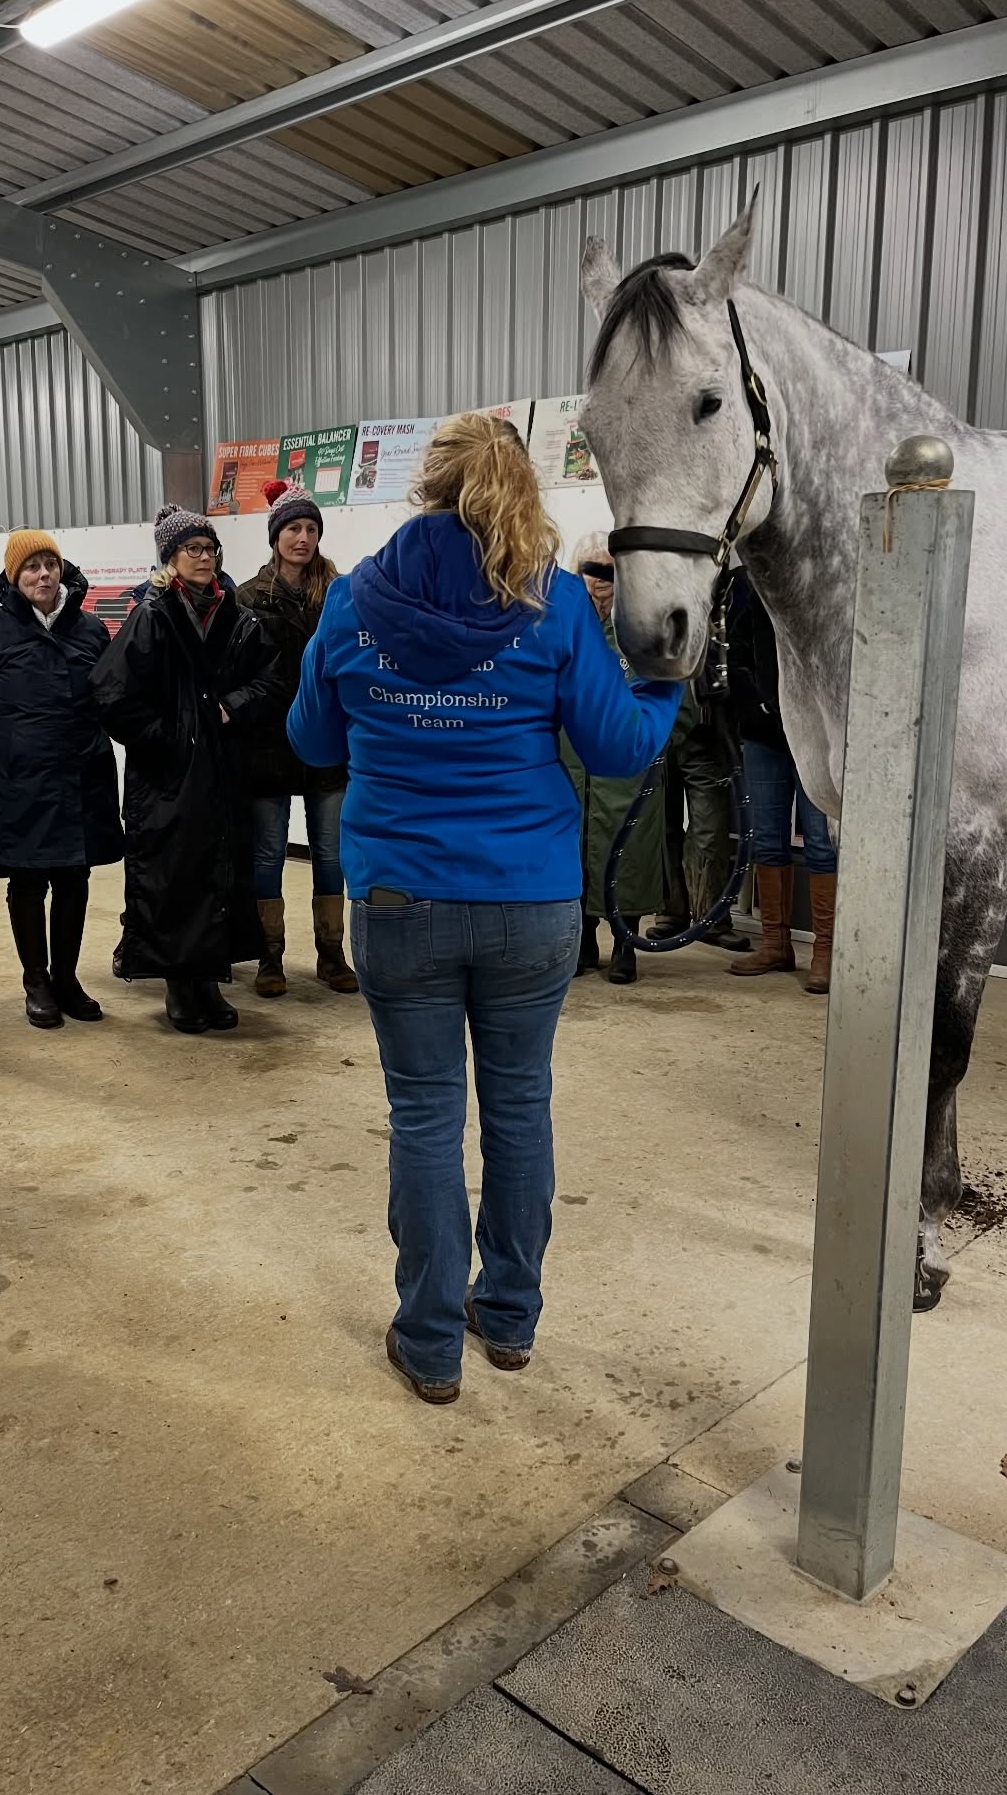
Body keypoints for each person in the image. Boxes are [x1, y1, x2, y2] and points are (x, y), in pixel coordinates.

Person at [288, 417, 679, 1404]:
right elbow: (622, 745)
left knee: (423, 1117)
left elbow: (310, 736)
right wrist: (665, 684)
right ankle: (507, 1320)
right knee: (518, 1108)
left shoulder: (352, 599)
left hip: (397, 898)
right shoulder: (548, 607)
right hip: (528, 900)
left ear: (427, 488)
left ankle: (427, 1343)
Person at [90, 504, 283, 1035]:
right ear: (170, 558)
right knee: (173, 874)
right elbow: (112, 694)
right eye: (192, 549)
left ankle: (207, 978)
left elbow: (271, 679)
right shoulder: (153, 615)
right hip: (167, 775)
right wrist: (169, 738)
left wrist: (234, 705)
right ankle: (178, 980)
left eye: (210, 548)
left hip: (223, 769)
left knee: (217, 871)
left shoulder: (237, 616)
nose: (204, 557)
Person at [0, 531, 123, 1029]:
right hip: (20, 779)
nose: (42, 575)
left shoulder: (90, 629)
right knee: (27, 880)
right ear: (13, 577)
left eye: (50, 565)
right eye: (31, 568)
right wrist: (21, 738)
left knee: (74, 877)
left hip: (81, 773)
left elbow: (105, 693)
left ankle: (66, 979)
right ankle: (36, 981)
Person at [235, 480, 355, 999]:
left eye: (310, 528)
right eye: (292, 528)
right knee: (268, 853)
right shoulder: (246, 598)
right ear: (275, 536)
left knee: (330, 854)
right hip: (268, 743)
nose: (302, 538)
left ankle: (331, 954)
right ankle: (270, 956)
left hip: (328, 740)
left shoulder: (341, 594)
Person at [562, 534, 668, 987]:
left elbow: (675, 705)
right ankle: (583, 941)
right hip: (571, 765)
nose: (600, 587)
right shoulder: (563, 631)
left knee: (629, 855)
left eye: (609, 576)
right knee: (577, 849)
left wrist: (650, 744)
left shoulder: (639, 635)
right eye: (592, 573)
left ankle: (627, 944)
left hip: (628, 769)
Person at [725, 574, 837, 991]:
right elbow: (736, 656)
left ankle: (824, 952)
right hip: (765, 735)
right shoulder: (755, 591)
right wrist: (757, 710)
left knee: (822, 844)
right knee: (767, 839)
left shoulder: (820, 593)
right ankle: (776, 943)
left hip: (816, 735)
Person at [648, 679, 749, 954]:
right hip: (658, 723)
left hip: (707, 725)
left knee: (711, 827)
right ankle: (670, 911)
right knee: (662, 825)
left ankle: (711, 918)